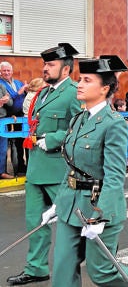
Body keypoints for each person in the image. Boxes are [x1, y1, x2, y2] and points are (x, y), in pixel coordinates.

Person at [44, 55, 128, 287]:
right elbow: (72, 166)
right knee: (62, 269)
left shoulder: (113, 123)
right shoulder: (78, 119)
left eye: (87, 80)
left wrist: (101, 215)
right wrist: (57, 203)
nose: (80, 84)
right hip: (70, 206)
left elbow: (115, 176)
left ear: (105, 88)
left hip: (97, 206)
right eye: (80, 79)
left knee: (102, 272)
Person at [7, 43, 82, 285]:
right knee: (35, 224)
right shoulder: (45, 92)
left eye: (51, 64)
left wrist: (53, 138)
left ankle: (97, 266)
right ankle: (36, 268)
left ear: (66, 69)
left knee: (75, 225)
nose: (45, 68)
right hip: (37, 169)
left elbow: (82, 129)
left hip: (60, 170)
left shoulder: (74, 92)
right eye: (45, 64)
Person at [0, 61, 27, 174]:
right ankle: (8, 169)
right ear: (0, 72)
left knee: (22, 141)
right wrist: (18, 92)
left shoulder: (18, 82)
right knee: (7, 143)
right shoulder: (1, 84)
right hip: (8, 116)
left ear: (12, 71)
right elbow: (8, 101)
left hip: (21, 115)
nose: (6, 72)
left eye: (8, 70)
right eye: (4, 70)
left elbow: (25, 96)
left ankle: (21, 166)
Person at [0, 83, 12, 179]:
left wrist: (7, 100)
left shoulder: (1, 86)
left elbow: (11, 103)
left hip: (2, 120)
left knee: (3, 149)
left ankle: (1, 172)